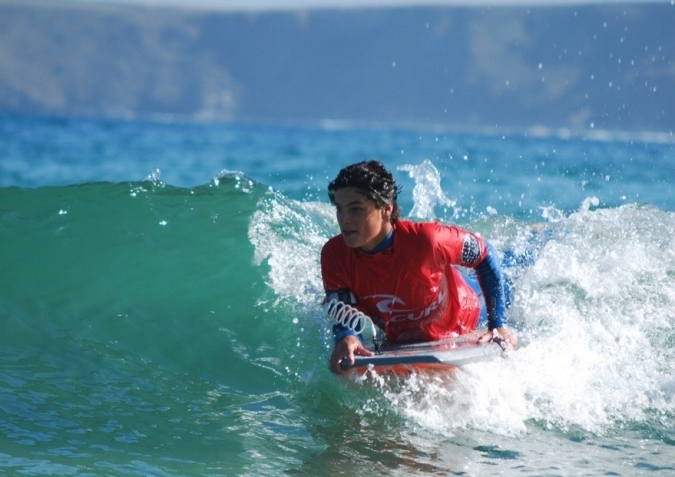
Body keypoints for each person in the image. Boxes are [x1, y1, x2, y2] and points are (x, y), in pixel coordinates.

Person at [321, 160, 517, 374]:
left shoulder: (427, 240)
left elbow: (486, 254)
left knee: (513, 268)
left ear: (387, 209)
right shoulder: (334, 255)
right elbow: (342, 306)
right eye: (339, 209)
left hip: (470, 309)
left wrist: (497, 323)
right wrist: (347, 336)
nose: (344, 219)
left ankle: (532, 241)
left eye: (356, 209)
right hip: (414, 327)